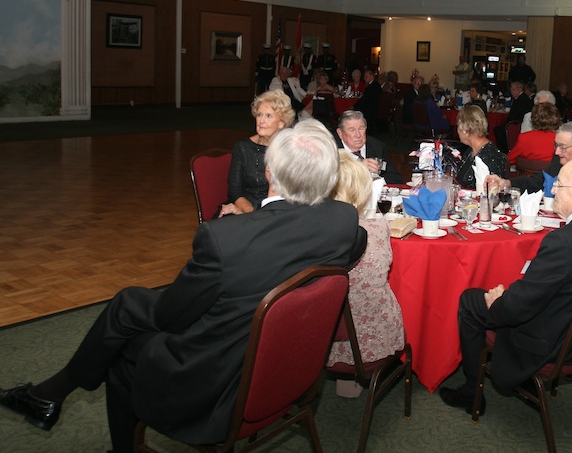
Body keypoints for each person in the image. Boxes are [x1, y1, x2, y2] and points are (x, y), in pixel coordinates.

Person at [0, 122, 367, 452]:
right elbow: (358, 242)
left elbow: (171, 317)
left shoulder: (225, 238)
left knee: (126, 330)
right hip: (289, 375)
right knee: (129, 305)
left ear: (269, 171)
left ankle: (55, 399)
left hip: (217, 392)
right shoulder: (343, 221)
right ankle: (48, 395)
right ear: (326, 179)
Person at [439, 158, 572, 414]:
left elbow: (519, 307)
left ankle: (472, 392)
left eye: (559, 185)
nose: (552, 191)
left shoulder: (563, 241)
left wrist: (500, 301)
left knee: (472, 300)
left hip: (557, 342)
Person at [327, 150, 405, 397]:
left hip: (324, 333)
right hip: (375, 335)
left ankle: (346, 373)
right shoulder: (377, 226)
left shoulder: (316, 231)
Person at [219, 90, 295, 218]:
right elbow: (234, 191)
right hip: (244, 206)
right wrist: (253, 214)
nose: (261, 121)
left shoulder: (288, 150)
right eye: (259, 115)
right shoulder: (242, 147)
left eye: (269, 116)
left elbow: (292, 192)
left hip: (277, 210)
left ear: (282, 122)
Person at [487, 121, 572, 195]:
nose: (557, 151)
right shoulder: (560, 159)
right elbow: (538, 181)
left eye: (563, 147)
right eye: (556, 145)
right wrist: (507, 183)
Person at [335, 110, 402, 185]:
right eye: (352, 130)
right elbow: (328, 182)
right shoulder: (332, 151)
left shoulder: (377, 147)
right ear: (340, 133)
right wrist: (359, 169)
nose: (358, 135)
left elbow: (395, 177)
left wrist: (375, 182)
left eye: (361, 129)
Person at [456, 106, 508, 190]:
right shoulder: (470, 151)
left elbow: (494, 192)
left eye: (458, 126)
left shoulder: (490, 155)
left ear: (465, 130)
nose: (457, 131)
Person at [494, 80, 532, 152]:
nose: (511, 92)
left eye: (513, 90)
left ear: (519, 89)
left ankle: (504, 150)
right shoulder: (522, 98)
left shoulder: (521, 100)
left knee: (498, 130)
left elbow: (514, 115)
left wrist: (506, 123)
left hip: (516, 123)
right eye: (511, 90)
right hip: (517, 121)